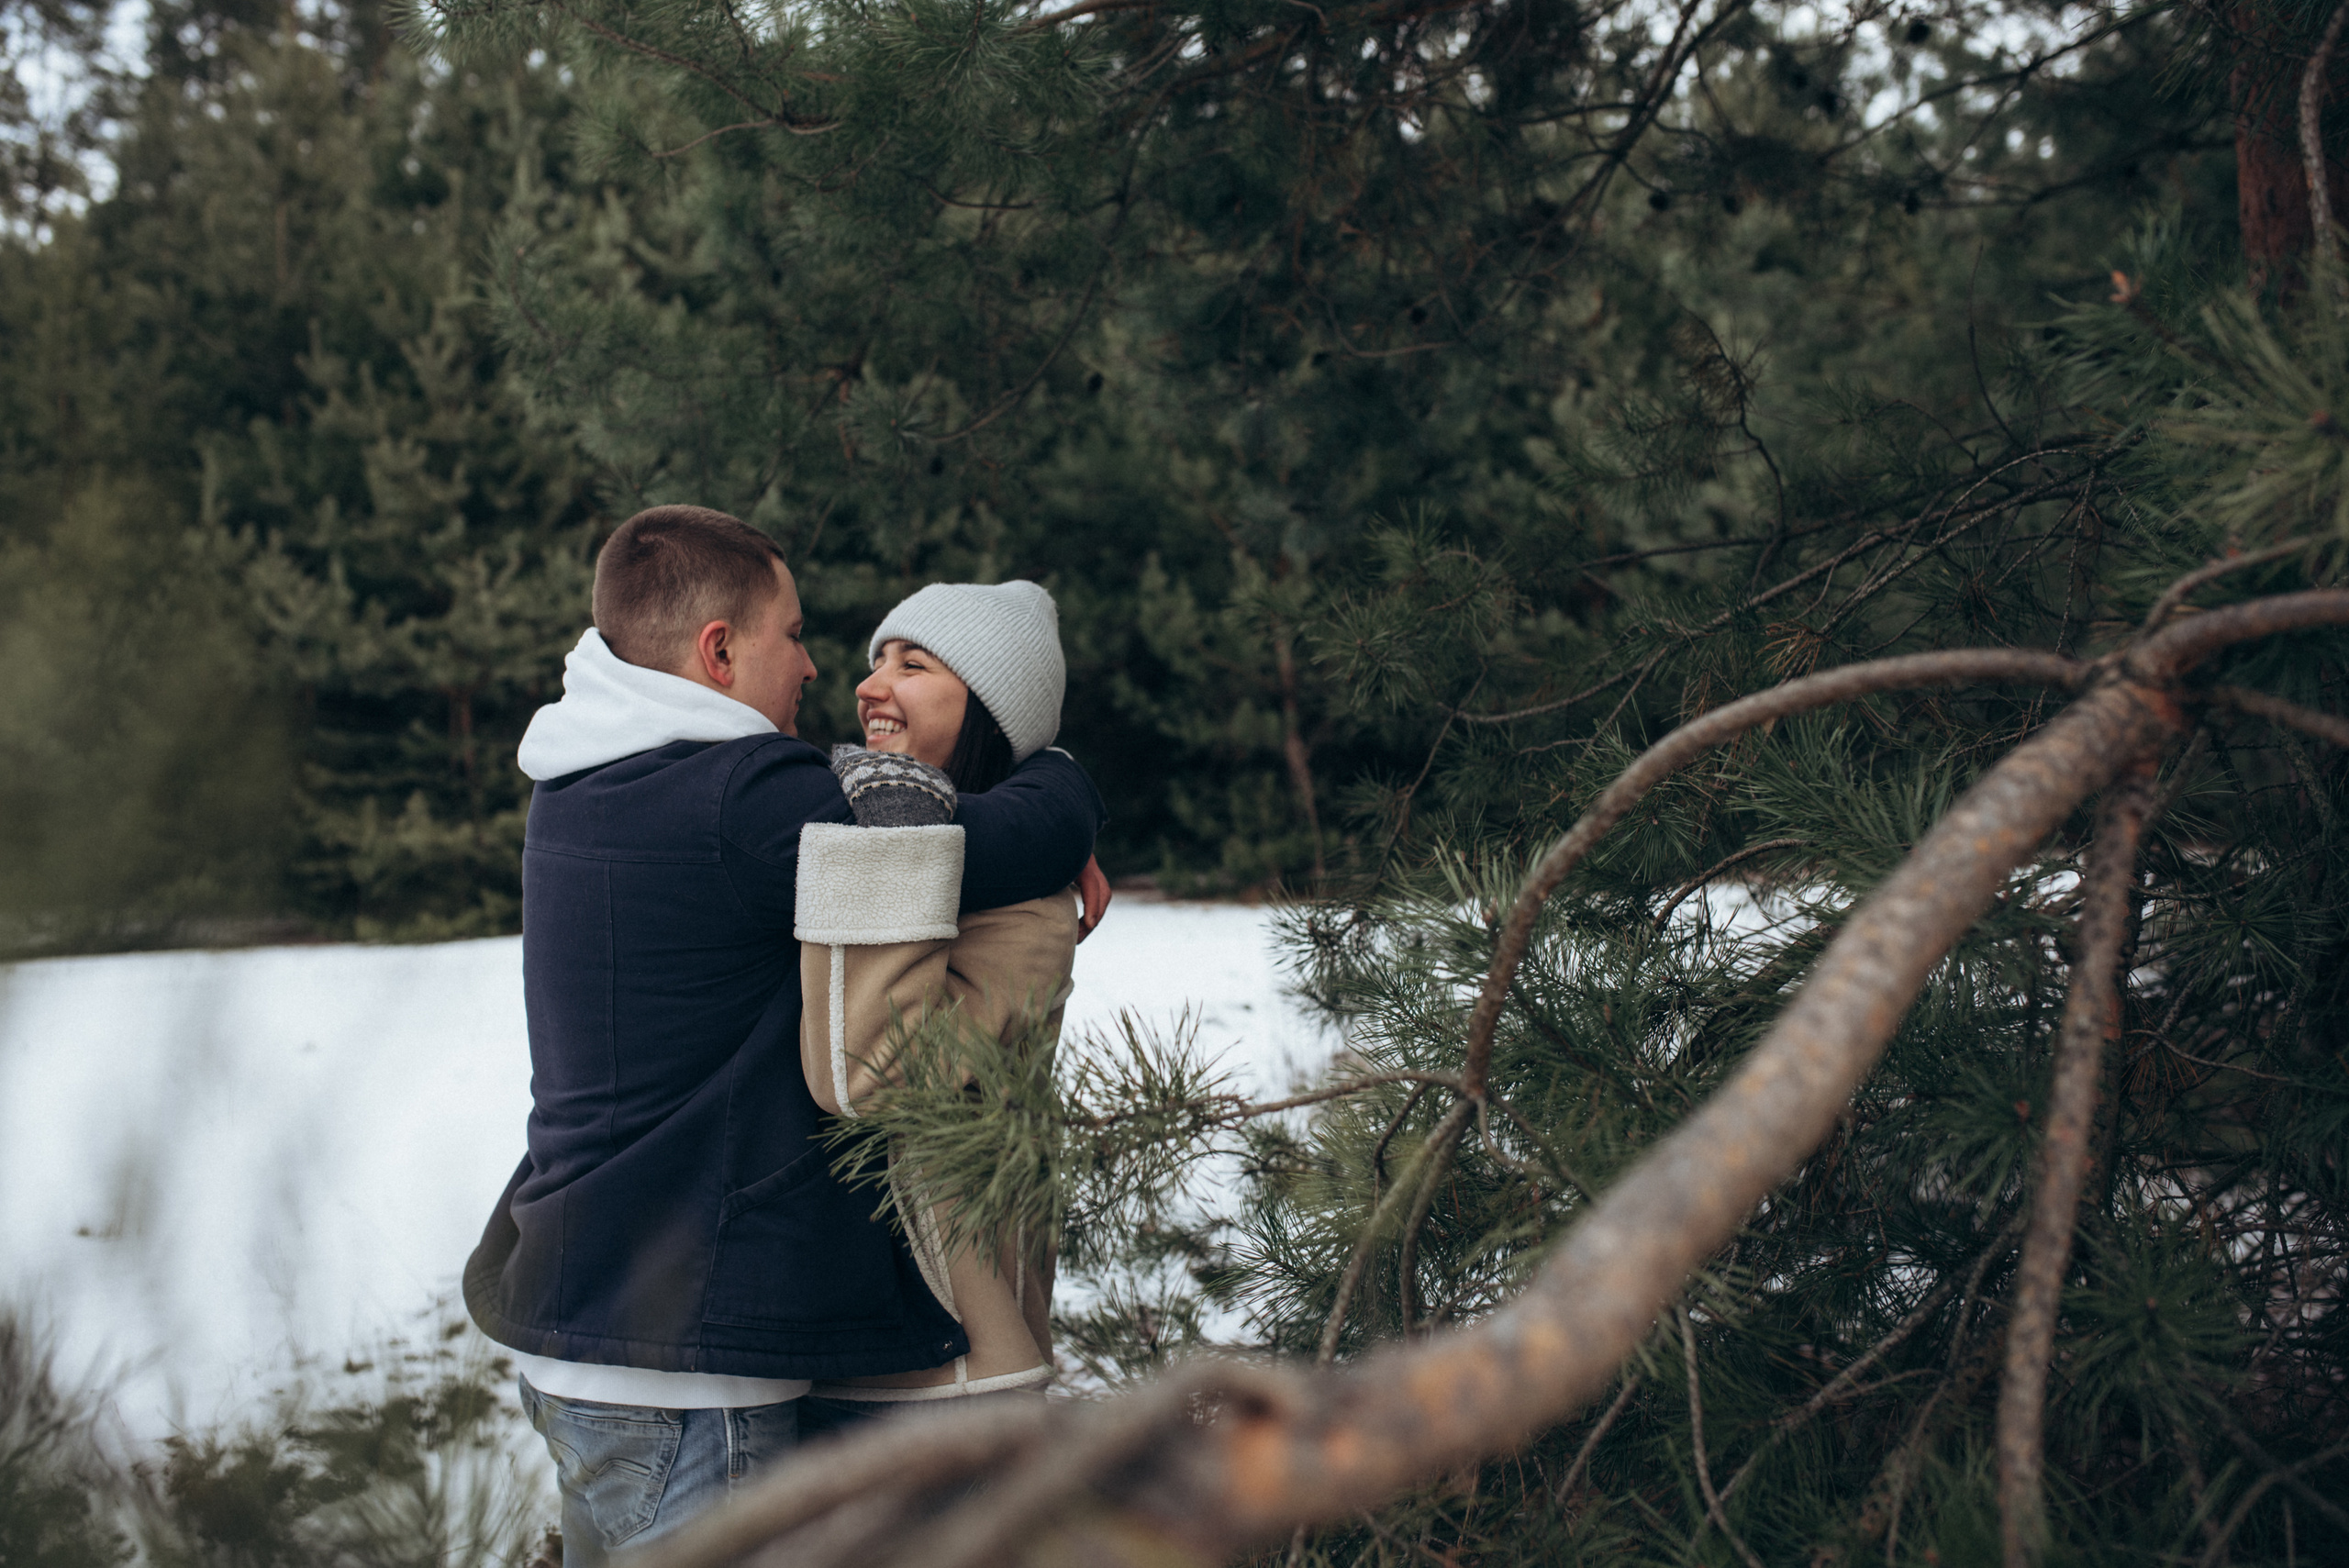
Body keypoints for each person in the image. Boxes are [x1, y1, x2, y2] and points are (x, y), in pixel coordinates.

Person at [462, 508, 1107, 1568]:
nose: (817, 668)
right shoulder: (743, 795)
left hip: (587, 1321)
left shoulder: (580, 776)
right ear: (719, 649)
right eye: (795, 634)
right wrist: (1069, 785)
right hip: (686, 1361)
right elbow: (995, 836)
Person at [788, 582, 1089, 1428]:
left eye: (912, 665)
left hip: (950, 1374)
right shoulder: (960, 838)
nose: (869, 686)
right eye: (876, 661)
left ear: (990, 711)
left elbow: (869, 1073)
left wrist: (897, 830)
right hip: (847, 1355)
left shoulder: (1029, 909)